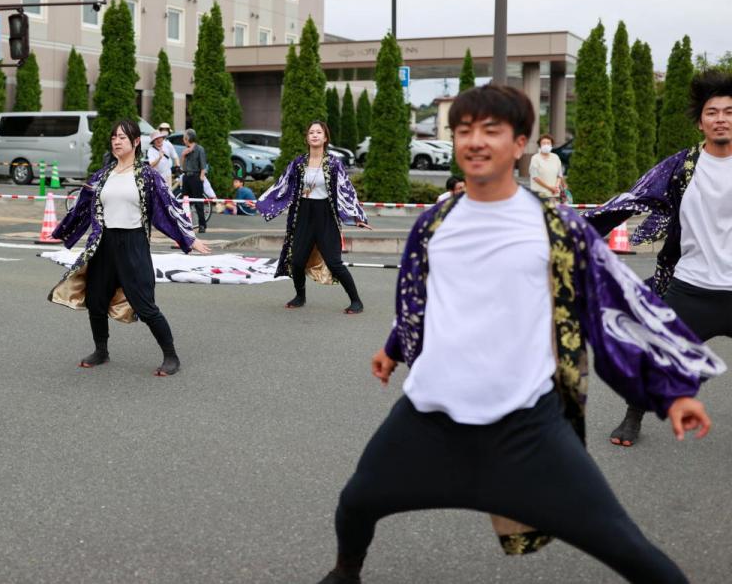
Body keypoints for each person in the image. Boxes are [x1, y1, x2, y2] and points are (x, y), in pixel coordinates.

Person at [318, 85, 723, 584]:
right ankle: (345, 573)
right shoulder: (434, 223)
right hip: (428, 414)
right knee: (357, 501)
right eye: (464, 130)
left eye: (491, 130)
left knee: (625, 546)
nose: (475, 141)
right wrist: (392, 348)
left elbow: (615, 310)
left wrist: (671, 391)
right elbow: (420, 300)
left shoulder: (556, 228)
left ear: (520, 143)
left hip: (527, 427)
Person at [585, 68, 732, 448]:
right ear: (700, 122)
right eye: (713, 112)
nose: (721, 119)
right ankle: (632, 418)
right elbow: (625, 204)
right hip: (692, 287)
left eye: (729, 112)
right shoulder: (680, 167)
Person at [48, 120, 211, 377]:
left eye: (123, 137)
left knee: (145, 305)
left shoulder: (147, 176)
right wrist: (63, 232)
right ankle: (101, 350)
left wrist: (188, 239)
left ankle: (171, 356)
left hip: (133, 243)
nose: (116, 141)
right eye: (114, 136)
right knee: (96, 300)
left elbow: (168, 209)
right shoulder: (103, 175)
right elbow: (82, 206)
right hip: (103, 243)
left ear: (135, 142)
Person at [257, 120, 370, 314]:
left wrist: (356, 217)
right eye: (311, 132)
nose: (315, 135)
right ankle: (300, 296)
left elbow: (346, 191)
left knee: (334, 262)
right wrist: (263, 202)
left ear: (325, 138)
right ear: (307, 138)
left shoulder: (334, 163)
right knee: (297, 261)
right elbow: (282, 185)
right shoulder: (299, 163)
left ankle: (356, 301)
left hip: (326, 215)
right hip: (303, 214)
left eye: (319, 132)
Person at [179, 129, 208, 233]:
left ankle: (202, 225)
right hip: (186, 176)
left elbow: (203, 166)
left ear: (188, 139)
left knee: (198, 202)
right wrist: (183, 155)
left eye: (184, 138)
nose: (183, 140)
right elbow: (181, 166)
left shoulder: (199, 149)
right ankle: (184, 224)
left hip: (196, 177)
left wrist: (201, 177)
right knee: (185, 202)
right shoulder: (185, 149)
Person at [528, 133, 565, 204]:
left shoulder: (556, 157)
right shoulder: (535, 158)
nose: (546, 145)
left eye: (548, 143)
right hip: (540, 195)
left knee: (554, 214)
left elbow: (559, 175)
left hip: (554, 194)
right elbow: (535, 177)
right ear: (540, 145)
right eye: (543, 143)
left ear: (551, 145)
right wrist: (550, 188)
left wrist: (556, 186)